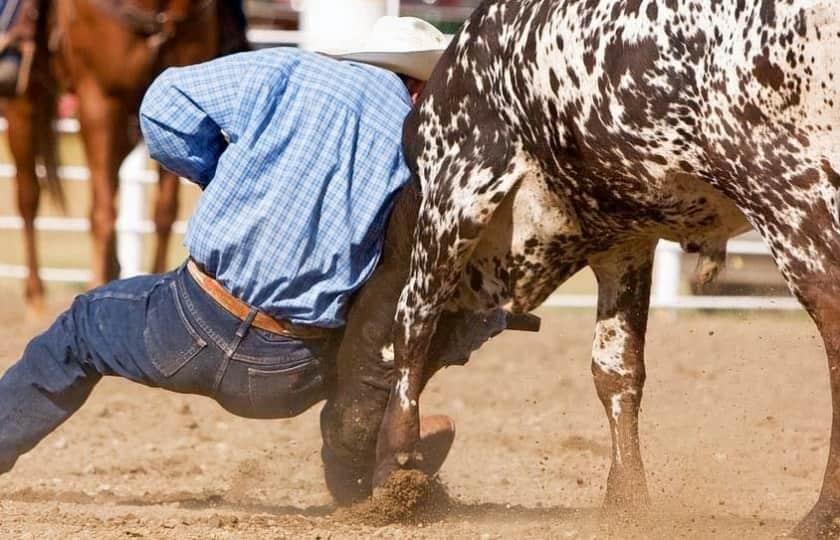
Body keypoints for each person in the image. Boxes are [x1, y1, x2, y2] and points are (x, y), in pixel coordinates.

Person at [0, 16, 457, 483]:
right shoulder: (427, 143)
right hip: (295, 370)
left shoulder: (288, 70)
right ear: (419, 87)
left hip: (187, 324)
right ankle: (362, 467)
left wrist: (219, 177)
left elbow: (162, 106)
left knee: (80, 330)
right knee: (376, 363)